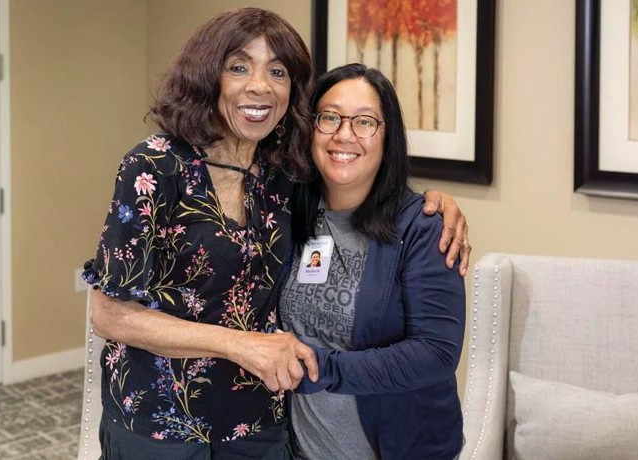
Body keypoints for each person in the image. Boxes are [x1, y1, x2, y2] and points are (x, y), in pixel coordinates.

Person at [82, 8, 470, 459]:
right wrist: (242, 345)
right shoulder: (155, 167)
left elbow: (363, 180)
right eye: (239, 66)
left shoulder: (281, 175)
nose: (260, 86)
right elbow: (108, 314)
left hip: (257, 423)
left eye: (278, 71)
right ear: (210, 75)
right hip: (161, 422)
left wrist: (436, 200)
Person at [280, 63, 466, 459]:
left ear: (387, 138)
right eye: (329, 118)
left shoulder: (423, 227)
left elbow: (435, 353)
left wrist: (321, 369)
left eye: (364, 122)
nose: (344, 134)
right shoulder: (288, 210)